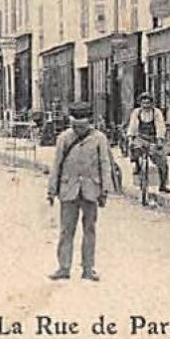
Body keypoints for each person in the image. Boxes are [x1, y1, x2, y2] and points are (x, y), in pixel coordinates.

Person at [48, 101, 113, 281]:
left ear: (89, 122)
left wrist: (105, 189)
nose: (80, 129)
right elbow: (57, 165)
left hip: (91, 189)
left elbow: (105, 164)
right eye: (76, 125)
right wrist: (52, 190)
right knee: (66, 230)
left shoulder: (99, 138)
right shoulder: (64, 138)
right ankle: (63, 267)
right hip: (68, 189)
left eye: (83, 125)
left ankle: (88, 268)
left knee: (89, 229)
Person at [125, 93, 170, 193]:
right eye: (143, 103)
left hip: (153, 139)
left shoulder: (156, 112)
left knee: (163, 162)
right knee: (134, 148)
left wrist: (159, 139)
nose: (146, 106)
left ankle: (162, 185)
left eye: (148, 103)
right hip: (141, 137)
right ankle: (137, 165)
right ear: (140, 103)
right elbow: (133, 125)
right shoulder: (137, 112)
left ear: (151, 103)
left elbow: (160, 126)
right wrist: (130, 139)